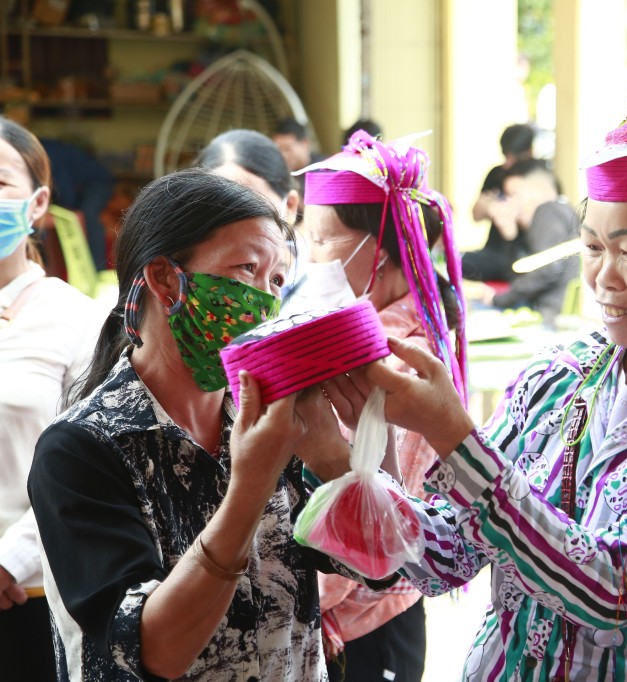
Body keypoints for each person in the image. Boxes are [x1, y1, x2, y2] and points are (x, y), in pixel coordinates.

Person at [335, 93, 627, 680]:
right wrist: (334, 457)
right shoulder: (555, 378)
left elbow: (620, 598)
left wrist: (453, 435)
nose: (602, 277)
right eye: (592, 247)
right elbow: (448, 555)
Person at [27, 168, 370, 681]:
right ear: (166, 279)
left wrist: (360, 442)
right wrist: (250, 489)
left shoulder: (275, 420)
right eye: (245, 270)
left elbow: (374, 565)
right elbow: (155, 650)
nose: (264, 301)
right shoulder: (81, 450)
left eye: (276, 280)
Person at [296, 129, 466, 682]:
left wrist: (306, 600)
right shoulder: (374, 330)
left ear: (382, 250)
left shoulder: (398, 358)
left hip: (363, 615)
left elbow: (382, 505)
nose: (308, 254)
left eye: (324, 240)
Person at [0, 117, 104, 682]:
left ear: (38, 202)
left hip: (32, 596)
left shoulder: (75, 319)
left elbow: (87, 468)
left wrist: (8, 561)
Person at [194, 128, 304, 291]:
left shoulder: (323, 294)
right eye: (219, 210)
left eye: (254, 208)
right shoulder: (195, 288)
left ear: (290, 207)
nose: (237, 225)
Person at [483, 158, 579, 327]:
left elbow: (547, 269)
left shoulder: (548, 211)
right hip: (548, 315)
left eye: (514, 195)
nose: (510, 204)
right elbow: (519, 273)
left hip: (550, 319)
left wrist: (499, 300)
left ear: (542, 190)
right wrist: (510, 236)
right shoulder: (562, 212)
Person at [461, 123, 535, 282]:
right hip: (494, 251)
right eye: (505, 156)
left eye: (514, 157)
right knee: (453, 262)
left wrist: (510, 216)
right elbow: (476, 214)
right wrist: (491, 208)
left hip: (523, 253)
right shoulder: (497, 174)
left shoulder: (537, 176)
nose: (508, 163)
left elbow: (534, 222)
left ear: (529, 152)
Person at [39, 137, 115, 270]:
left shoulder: (47, 152)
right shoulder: (31, 152)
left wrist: (68, 212)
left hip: (98, 183)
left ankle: (98, 269)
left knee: (88, 215)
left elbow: (64, 186)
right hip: (77, 187)